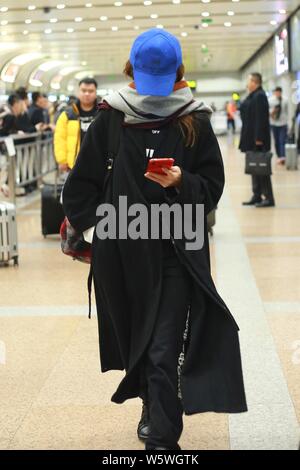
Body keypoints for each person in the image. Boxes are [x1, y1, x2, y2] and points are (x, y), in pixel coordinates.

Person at [62, 28, 247, 450]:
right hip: (122, 255)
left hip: (175, 253)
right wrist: (101, 234)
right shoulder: (112, 117)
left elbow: (212, 186)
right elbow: (78, 189)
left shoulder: (193, 120)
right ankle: (153, 404)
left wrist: (184, 181)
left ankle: (162, 442)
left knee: (164, 347)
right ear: (131, 71)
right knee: (138, 345)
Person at [239, 73, 275, 208]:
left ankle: (268, 197)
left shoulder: (260, 96)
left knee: (262, 168)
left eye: (249, 81)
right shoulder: (253, 95)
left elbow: (261, 118)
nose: (247, 84)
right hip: (251, 137)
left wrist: (259, 138)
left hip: (257, 139)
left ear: (255, 82)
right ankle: (257, 195)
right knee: (254, 166)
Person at [54, 78, 99, 172]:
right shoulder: (67, 114)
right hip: (74, 164)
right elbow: (60, 138)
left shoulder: (102, 114)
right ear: (78, 92)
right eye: (83, 90)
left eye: (91, 91)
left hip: (98, 163)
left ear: (95, 93)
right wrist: (62, 160)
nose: (87, 94)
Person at [269, 86, 288, 165]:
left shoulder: (285, 100)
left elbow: (287, 111)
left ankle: (283, 157)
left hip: (283, 123)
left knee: (282, 140)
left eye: (279, 92)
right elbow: (268, 112)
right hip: (274, 123)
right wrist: (273, 111)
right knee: (276, 141)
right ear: (275, 92)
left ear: (281, 92)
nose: (278, 94)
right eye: (276, 92)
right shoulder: (270, 100)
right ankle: (279, 156)